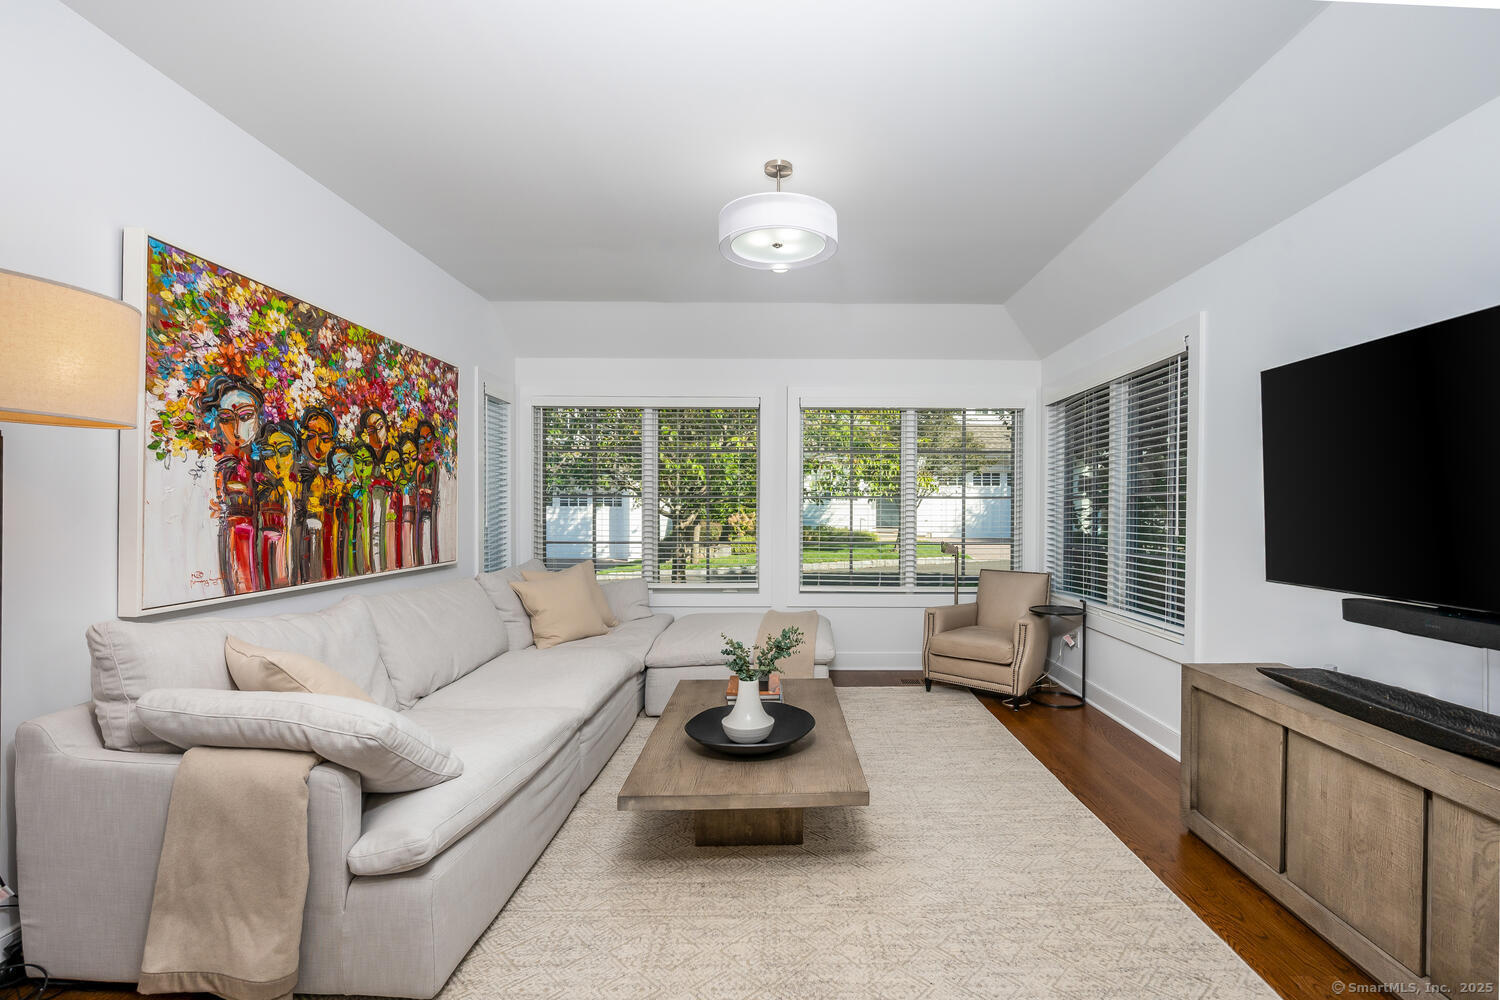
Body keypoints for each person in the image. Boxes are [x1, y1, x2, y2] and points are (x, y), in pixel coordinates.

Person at [198, 375, 263, 595]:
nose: (236, 429)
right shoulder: (223, 468)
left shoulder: (263, 465)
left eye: (245, 417)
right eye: (226, 418)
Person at [254, 421, 301, 590]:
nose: (277, 461)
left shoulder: (301, 490)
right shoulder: (265, 493)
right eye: (268, 454)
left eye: (284, 452)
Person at [298, 406, 337, 583]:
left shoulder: (337, 475)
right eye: (311, 437)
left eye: (325, 439)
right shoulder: (296, 472)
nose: (318, 445)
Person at [416, 420, 441, 564]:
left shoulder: (434, 466)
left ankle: (434, 560)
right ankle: (419, 563)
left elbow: (435, 488)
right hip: (419, 505)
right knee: (418, 537)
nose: (426, 444)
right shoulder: (418, 466)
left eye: (430, 439)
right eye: (422, 440)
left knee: (433, 535)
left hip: (431, 505)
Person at [398, 433, 421, 567]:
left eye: (413, 458)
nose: (411, 465)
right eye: (406, 461)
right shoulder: (397, 487)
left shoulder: (421, 482)